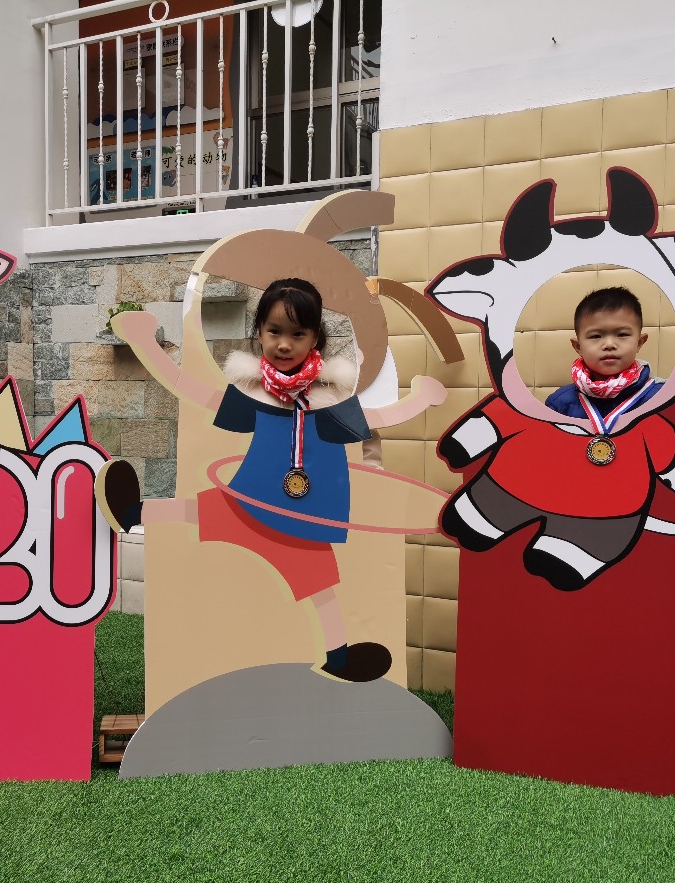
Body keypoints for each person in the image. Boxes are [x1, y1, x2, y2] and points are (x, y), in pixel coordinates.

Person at [96, 278, 445, 683]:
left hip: (302, 523)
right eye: (274, 331)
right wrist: (145, 343)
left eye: (298, 334)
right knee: (198, 509)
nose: (284, 344)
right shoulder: (253, 395)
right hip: (250, 506)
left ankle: (338, 658)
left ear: (315, 338)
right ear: (259, 332)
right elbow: (190, 390)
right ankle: (130, 512)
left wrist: (420, 400)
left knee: (321, 588)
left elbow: (376, 419)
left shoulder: (328, 400)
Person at [544, 286, 662, 423]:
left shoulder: (662, 397)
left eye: (622, 334)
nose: (609, 344)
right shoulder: (559, 404)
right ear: (578, 346)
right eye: (595, 336)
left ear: (639, 342)